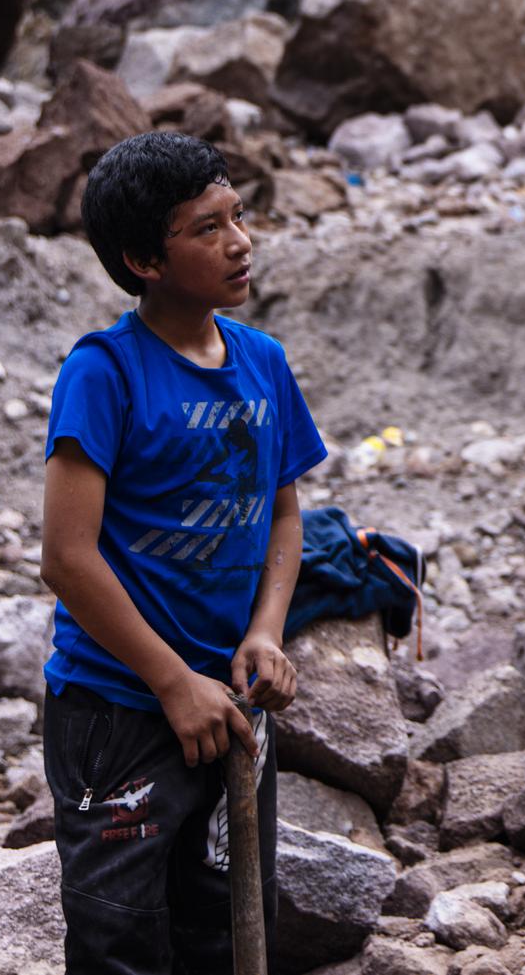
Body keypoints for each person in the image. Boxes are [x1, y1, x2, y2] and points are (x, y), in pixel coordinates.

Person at [41, 131, 328, 973]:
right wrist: (172, 682)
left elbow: (283, 509)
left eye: (239, 216)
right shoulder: (105, 373)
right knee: (119, 936)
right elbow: (67, 556)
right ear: (143, 259)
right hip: (121, 708)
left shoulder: (262, 363)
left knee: (228, 921)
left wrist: (266, 631)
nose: (241, 241)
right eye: (207, 228)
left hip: (233, 700)